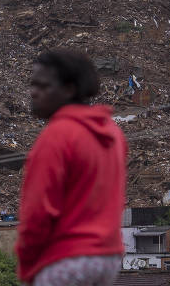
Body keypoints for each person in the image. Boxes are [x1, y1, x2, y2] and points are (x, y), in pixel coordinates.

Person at [16, 49, 127, 286]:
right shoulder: (112, 132)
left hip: (66, 258)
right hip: (107, 258)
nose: (33, 92)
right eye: (32, 84)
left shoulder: (58, 135)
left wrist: (27, 265)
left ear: (69, 89)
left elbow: (37, 212)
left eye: (43, 86)